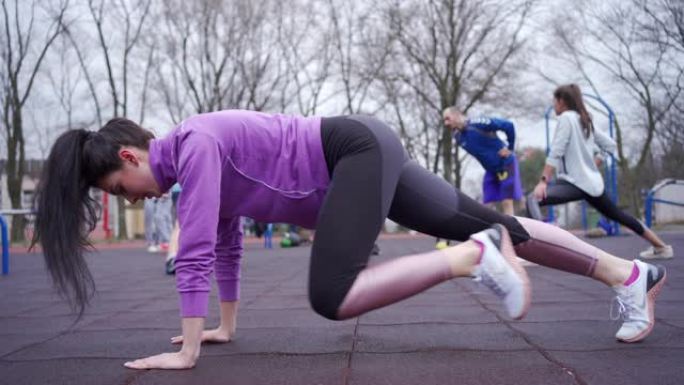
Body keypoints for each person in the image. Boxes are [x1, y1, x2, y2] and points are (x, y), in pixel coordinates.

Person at [31, 111, 666, 370]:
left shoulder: (191, 146)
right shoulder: (191, 158)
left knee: (332, 295)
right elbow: (222, 246)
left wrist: (188, 353)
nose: (128, 198)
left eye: (118, 187)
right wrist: (222, 327)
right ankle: (628, 276)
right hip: (365, 150)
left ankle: (471, 259)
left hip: (351, 152)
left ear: (127, 155)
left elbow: (192, 249)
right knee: (507, 228)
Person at [527, 84, 674, 260]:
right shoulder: (584, 119)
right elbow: (610, 145)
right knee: (619, 215)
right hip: (591, 183)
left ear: (562, 101)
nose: (554, 105)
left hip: (575, 183)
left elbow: (556, 151)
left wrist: (543, 181)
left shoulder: (566, 118)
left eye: (554, 101)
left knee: (532, 199)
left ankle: (537, 250)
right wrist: (595, 162)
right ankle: (661, 247)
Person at [442, 109, 523, 216]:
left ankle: (513, 228)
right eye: (444, 120)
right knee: (487, 204)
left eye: (448, 119)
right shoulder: (457, 137)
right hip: (490, 170)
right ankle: (488, 229)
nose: (446, 123)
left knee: (506, 201)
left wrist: (510, 148)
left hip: (505, 164)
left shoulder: (479, 123)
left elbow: (508, 125)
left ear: (457, 115)